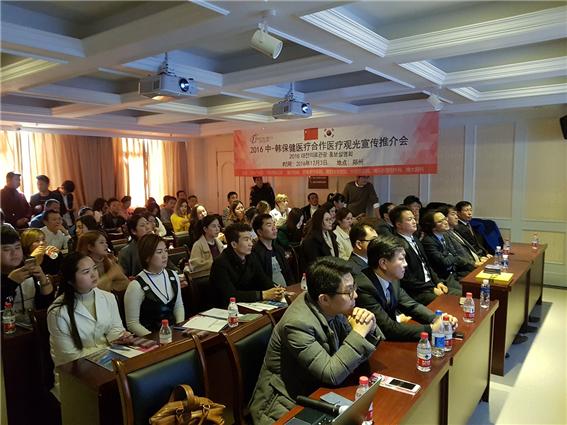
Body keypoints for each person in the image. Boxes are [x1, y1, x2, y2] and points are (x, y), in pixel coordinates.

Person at [249, 257, 383, 424]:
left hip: (317, 391)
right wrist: (359, 333)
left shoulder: (331, 307)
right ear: (324, 299)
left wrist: (370, 327)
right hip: (283, 405)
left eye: (354, 287)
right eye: (349, 291)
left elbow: (353, 352)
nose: (355, 295)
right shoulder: (297, 324)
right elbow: (331, 374)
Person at [47, 252, 129, 400]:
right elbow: (70, 358)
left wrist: (121, 337)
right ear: (70, 280)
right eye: (86, 272)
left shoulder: (108, 297)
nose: (93, 275)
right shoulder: (58, 312)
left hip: (108, 366)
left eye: (94, 268)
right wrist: (109, 349)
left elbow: (115, 329)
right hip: (75, 377)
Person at [357, 236, 458, 341]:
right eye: (401, 259)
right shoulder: (364, 287)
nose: (406, 264)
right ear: (383, 263)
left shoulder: (393, 278)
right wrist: (432, 329)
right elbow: (388, 328)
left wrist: (437, 319)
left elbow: (411, 306)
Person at [390, 206, 454, 305]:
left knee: (460, 295)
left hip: (430, 285)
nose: (414, 221)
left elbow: (427, 265)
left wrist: (438, 282)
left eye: (414, 218)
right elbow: (406, 279)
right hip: (417, 291)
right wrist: (431, 288)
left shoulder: (415, 239)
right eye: (409, 219)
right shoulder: (397, 245)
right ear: (398, 224)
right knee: (450, 302)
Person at [209, 223, 285, 306]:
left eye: (250, 239)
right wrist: (262, 295)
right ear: (234, 244)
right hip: (225, 307)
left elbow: (263, 279)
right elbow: (230, 295)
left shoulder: (251, 256)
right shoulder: (220, 263)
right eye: (246, 240)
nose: (251, 243)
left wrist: (276, 290)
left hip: (248, 303)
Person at [124, 234, 185, 336]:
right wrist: (156, 339)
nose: (165, 255)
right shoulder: (136, 285)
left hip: (175, 333)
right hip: (151, 337)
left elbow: (178, 306)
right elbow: (132, 324)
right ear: (147, 257)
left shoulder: (173, 275)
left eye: (165, 250)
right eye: (159, 252)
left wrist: (180, 329)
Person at [1, 225, 54, 312]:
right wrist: (11, 284)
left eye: (17, 247)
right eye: (6, 249)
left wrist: (43, 280)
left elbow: (45, 306)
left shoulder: (27, 269)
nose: (14, 253)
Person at [421, 211, 475, 281]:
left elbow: (455, 255)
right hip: (443, 277)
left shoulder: (445, 235)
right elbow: (444, 262)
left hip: (455, 272)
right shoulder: (428, 241)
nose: (446, 222)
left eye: (444, 219)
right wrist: (450, 256)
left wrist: (472, 264)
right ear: (432, 227)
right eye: (440, 221)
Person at [251, 214, 294, 287]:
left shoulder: (279, 249)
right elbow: (261, 280)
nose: (274, 228)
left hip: (287, 290)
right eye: (269, 225)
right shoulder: (255, 253)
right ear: (259, 232)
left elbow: (288, 273)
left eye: (274, 224)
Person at [187, 214, 224, 281]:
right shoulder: (198, 245)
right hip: (206, 278)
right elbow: (195, 266)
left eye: (218, 226)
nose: (217, 229)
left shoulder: (218, 242)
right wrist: (214, 263)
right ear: (205, 229)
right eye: (214, 226)